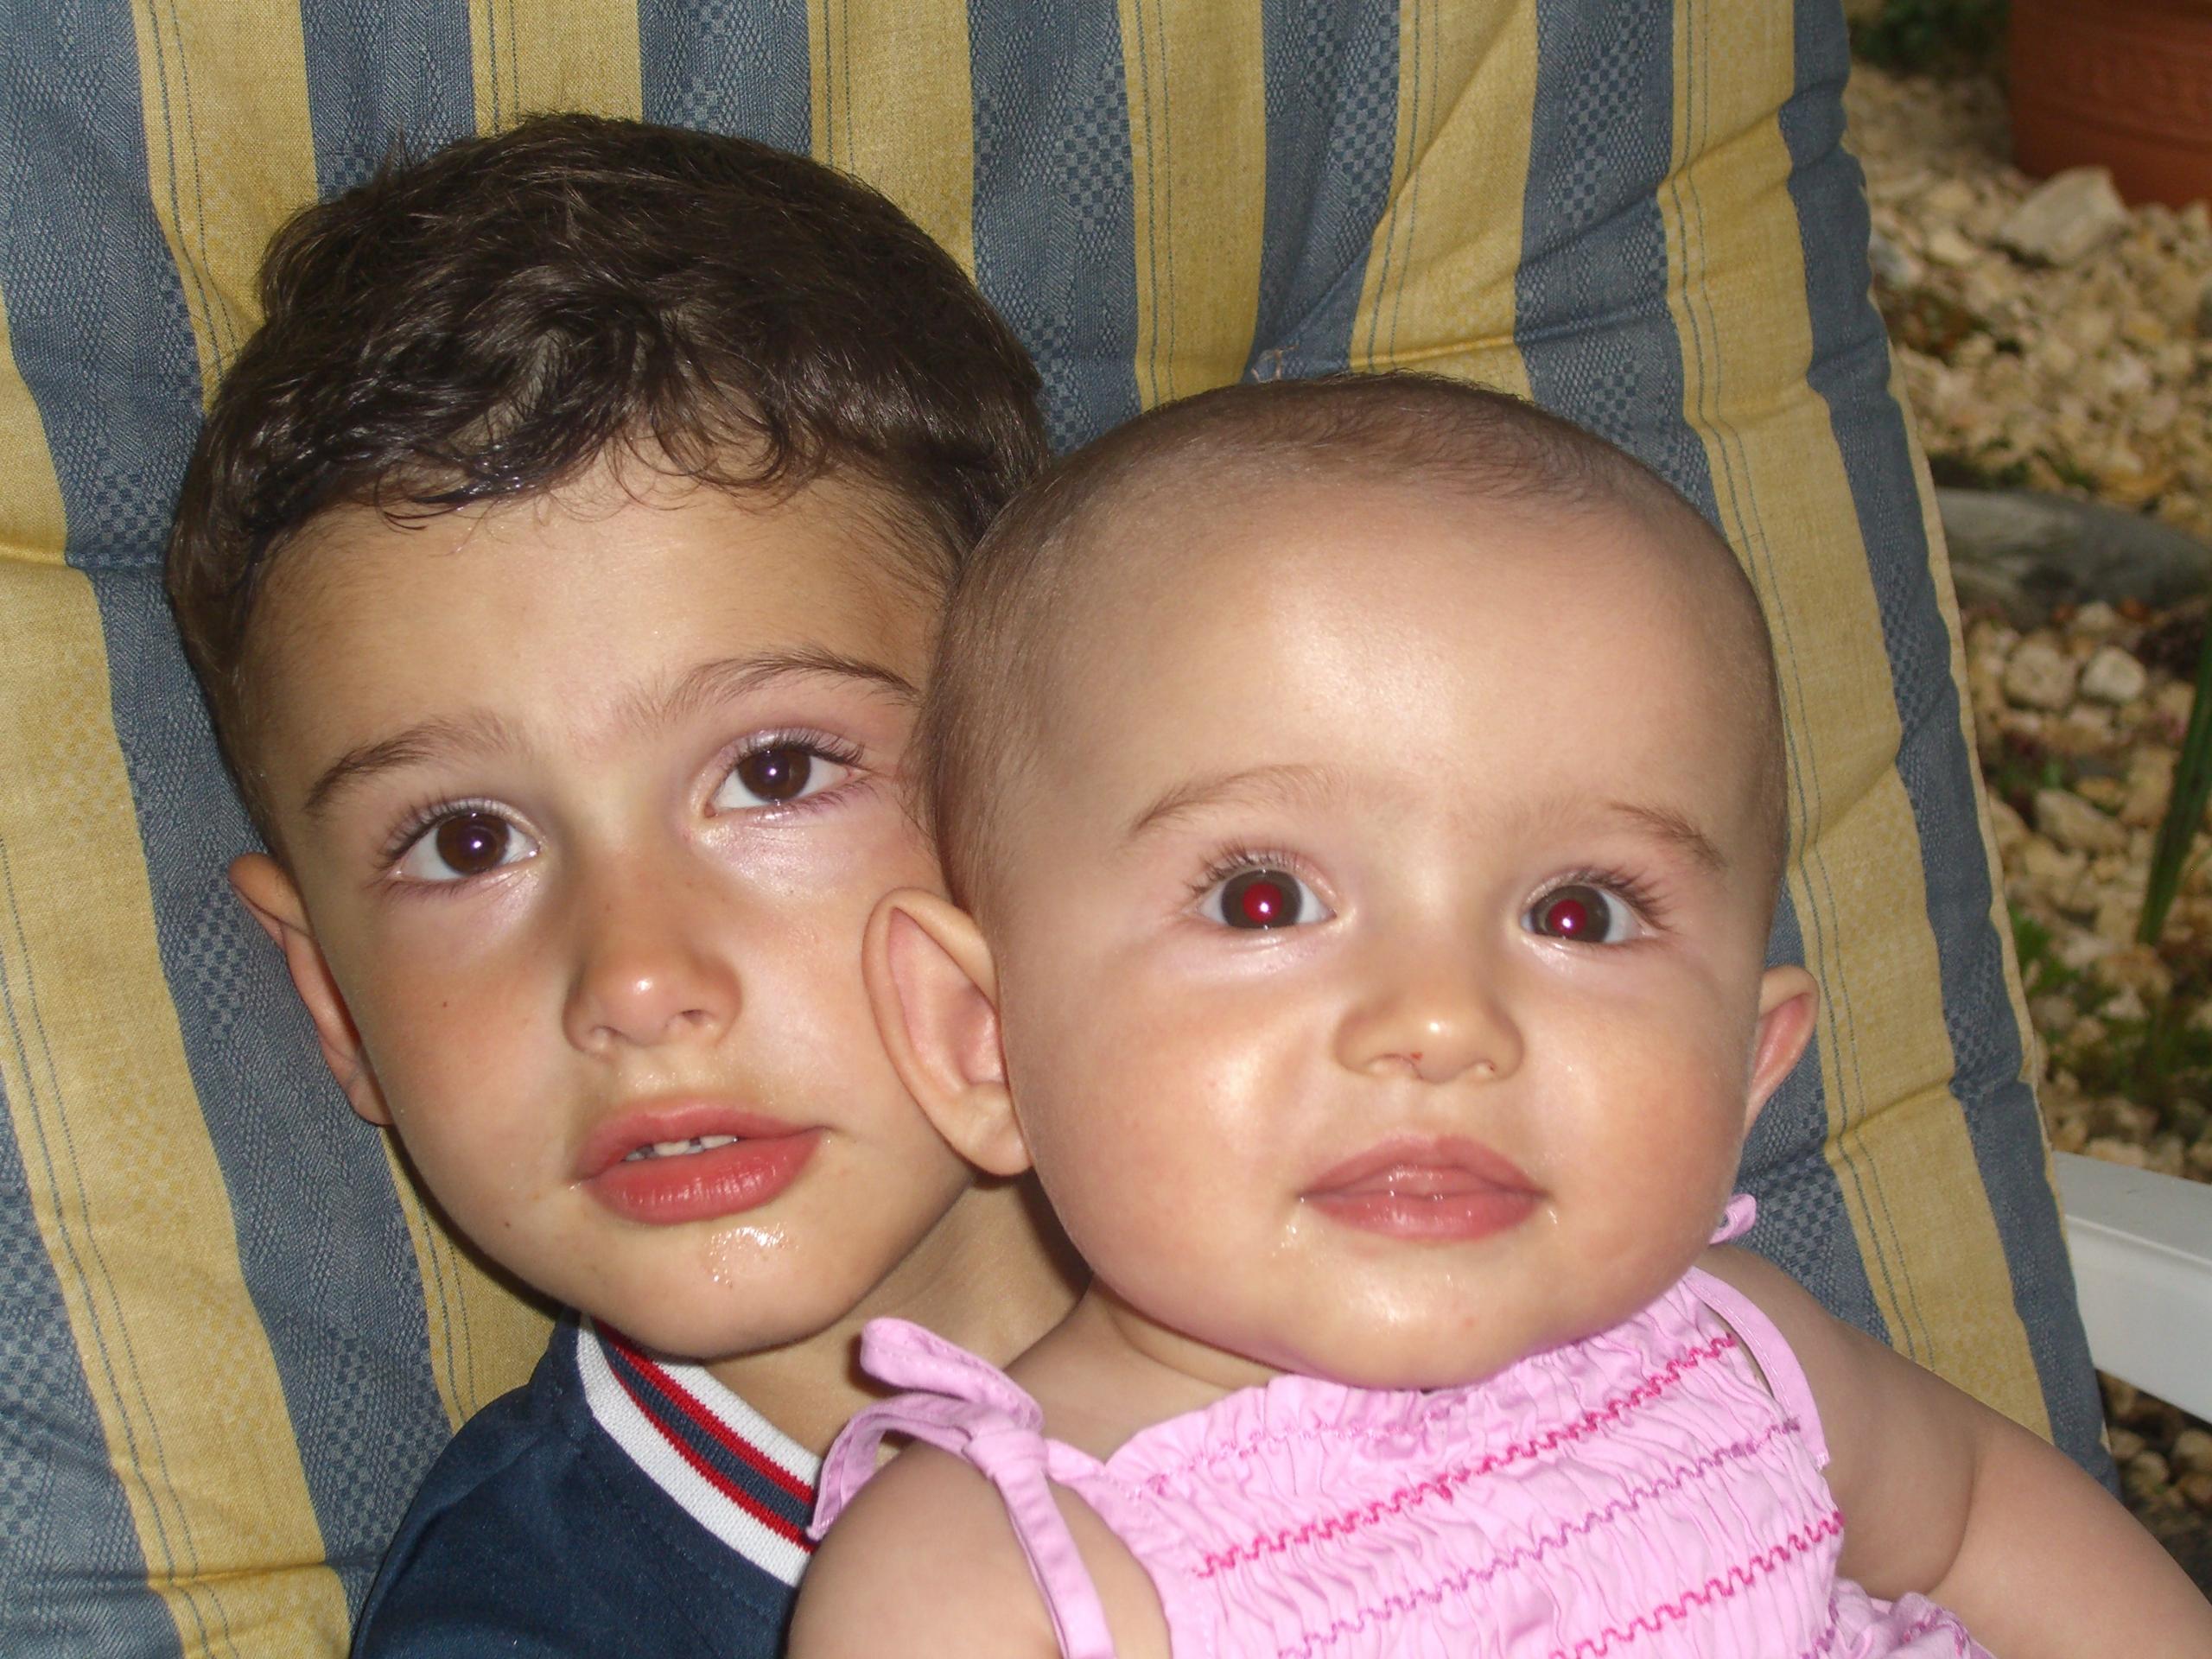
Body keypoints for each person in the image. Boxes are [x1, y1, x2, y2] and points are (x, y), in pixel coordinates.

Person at [791, 375, 2212, 1659]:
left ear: (1745, 1066)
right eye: (1263, 899)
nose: (1442, 1021)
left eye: (1578, 914)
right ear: (984, 1037)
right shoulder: (989, 1587)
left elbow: (1975, 1530)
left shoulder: (1743, 1362)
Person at [162, 113, 1079, 1656]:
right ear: (332, 999)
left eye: (774, 773)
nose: (638, 980)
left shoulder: (1425, 1284)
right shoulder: (517, 1625)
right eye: (466, 843)